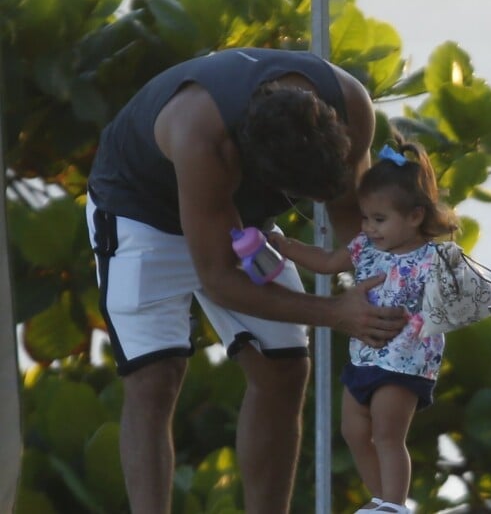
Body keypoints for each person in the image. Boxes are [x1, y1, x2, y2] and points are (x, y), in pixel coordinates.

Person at [85, 47, 409, 514]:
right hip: (141, 215)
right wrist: (337, 313)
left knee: (285, 366)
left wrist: (398, 305)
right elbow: (218, 277)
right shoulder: (202, 134)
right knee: (155, 377)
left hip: (241, 224)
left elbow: (356, 226)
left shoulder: (350, 102)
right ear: (254, 168)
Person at [269, 136, 491, 514]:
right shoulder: (365, 248)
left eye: (379, 219)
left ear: (415, 216)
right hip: (365, 355)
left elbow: (481, 294)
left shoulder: (433, 256)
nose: (369, 227)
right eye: (365, 217)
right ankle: (383, 500)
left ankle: (394, 505)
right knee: (353, 431)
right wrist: (285, 248)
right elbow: (327, 260)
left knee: (386, 432)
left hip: (407, 360)